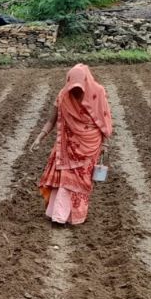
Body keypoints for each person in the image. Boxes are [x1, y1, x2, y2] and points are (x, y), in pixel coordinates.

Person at [31, 64, 113, 226]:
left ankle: (65, 215)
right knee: (65, 179)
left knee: (80, 179)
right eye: (73, 88)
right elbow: (51, 120)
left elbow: (103, 120)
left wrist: (106, 144)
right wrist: (39, 137)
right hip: (67, 145)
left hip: (89, 144)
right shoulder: (63, 95)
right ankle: (59, 215)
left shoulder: (97, 92)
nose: (75, 92)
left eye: (79, 88)